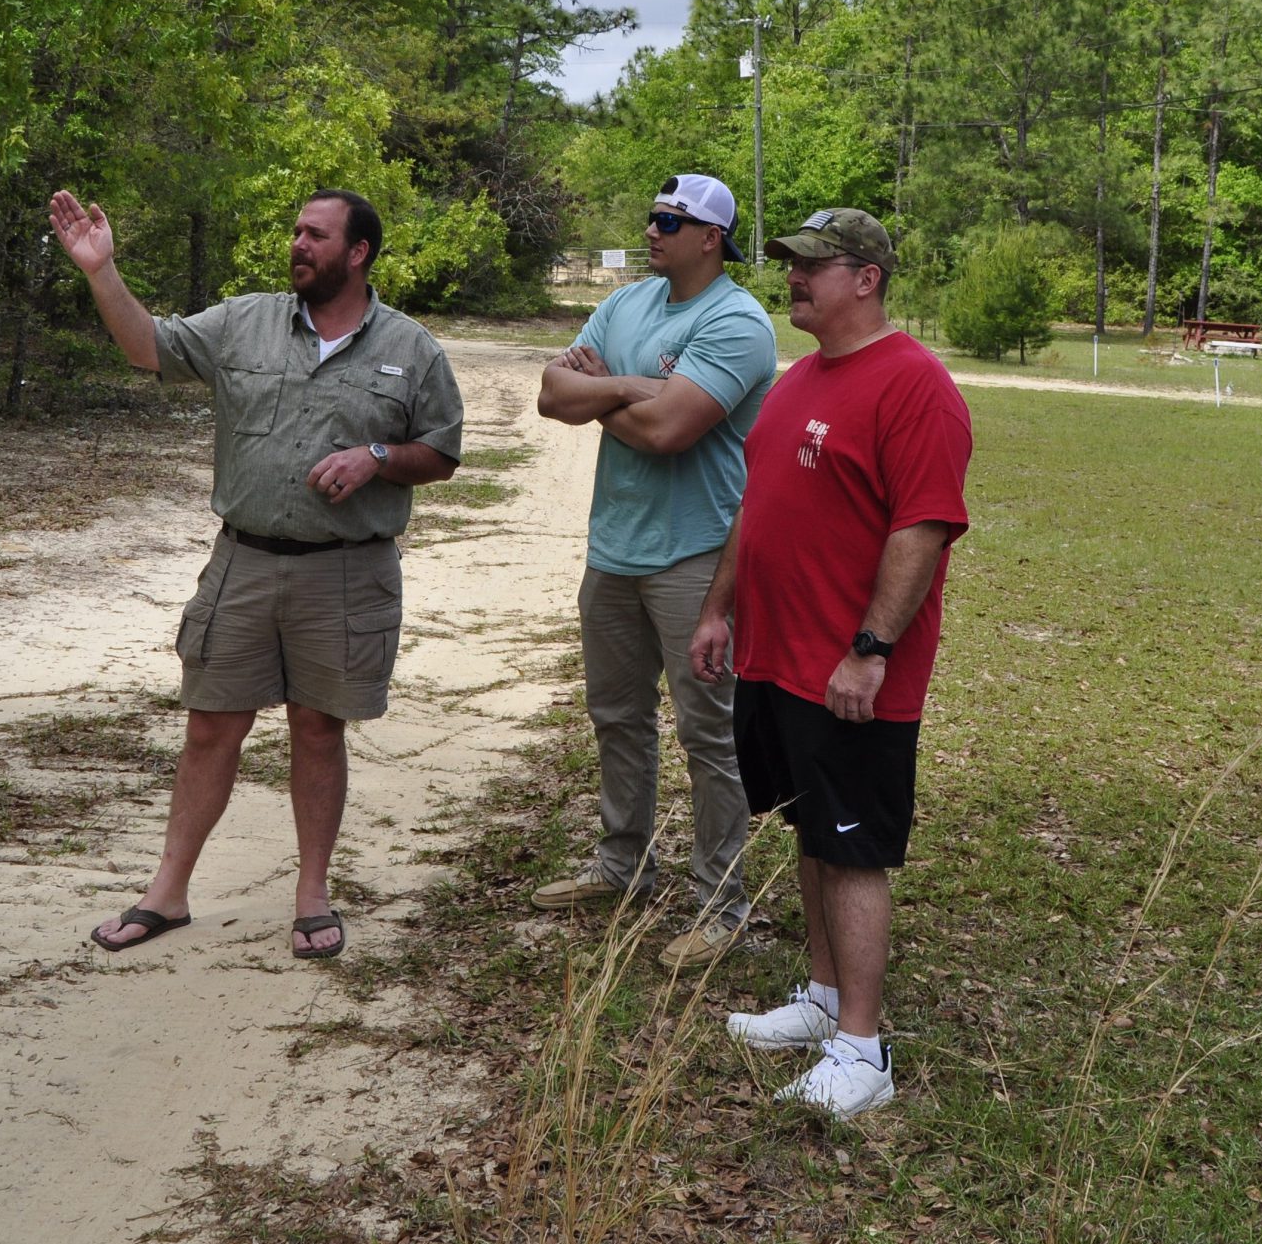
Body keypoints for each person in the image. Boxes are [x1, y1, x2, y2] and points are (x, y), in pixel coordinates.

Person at [47, 186, 463, 961]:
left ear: (358, 252)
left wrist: (377, 458)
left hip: (344, 572)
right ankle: (165, 896)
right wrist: (101, 272)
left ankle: (312, 896)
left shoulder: (413, 349)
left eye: (316, 234)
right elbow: (149, 348)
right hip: (242, 562)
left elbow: (440, 453)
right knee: (211, 726)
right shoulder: (244, 320)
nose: (298, 243)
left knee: (317, 728)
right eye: (297, 231)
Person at [691, 208, 972, 1120]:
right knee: (812, 830)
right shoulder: (795, 379)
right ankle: (820, 1000)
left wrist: (870, 651)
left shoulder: (914, 385)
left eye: (815, 265)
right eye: (790, 264)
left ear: (868, 278)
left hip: (850, 672)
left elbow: (922, 527)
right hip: (779, 658)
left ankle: (862, 1045)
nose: (794, 278)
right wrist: (720, 609)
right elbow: (758, 505)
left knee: (853, 849)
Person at [531, 175, 779, 969]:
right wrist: (630, 387)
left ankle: (721, 903)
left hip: (697, 556)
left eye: (670, 221)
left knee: (710, 734)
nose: (652, 229)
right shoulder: (628, 302)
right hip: (614, 548)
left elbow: (672, 429)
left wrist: (601, 392)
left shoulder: (737, 322)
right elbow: (548, 393)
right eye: (651, 215)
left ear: (712, 238)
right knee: (617, 716)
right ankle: (623, 866)